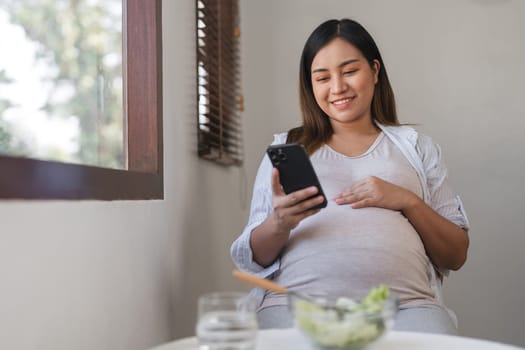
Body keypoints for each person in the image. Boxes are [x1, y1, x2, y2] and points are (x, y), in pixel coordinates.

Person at [230, 18, 470, 334]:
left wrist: (406, 200)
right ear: (310, 85)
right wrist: (280, 222)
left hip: (406, 309)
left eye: (349, 71)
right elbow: (251, 259)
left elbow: (455, 254)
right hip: (295, 308)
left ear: (374, 70)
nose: (337, 87)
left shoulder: (417, 148)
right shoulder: (287, 149)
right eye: (322, 77)